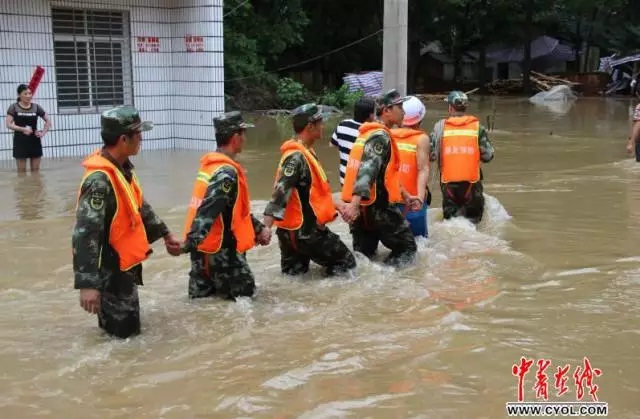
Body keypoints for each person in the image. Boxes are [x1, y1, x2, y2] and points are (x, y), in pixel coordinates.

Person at [72, 105, 181, 339]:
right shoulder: (99, 181)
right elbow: (85, 233)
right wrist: (87, 284)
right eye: (138, 134)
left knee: (127, 335)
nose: (141, 138)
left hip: (124, 268)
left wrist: (164, 233)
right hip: (111, 271)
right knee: (123, 338)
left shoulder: (121, 169)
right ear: (123, 139)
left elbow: (139, 206)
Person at [181, 111, 270, 299]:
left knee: (202, 307)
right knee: (246, 301)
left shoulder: (210, 165)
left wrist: (259, 228)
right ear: (236, 137)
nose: (245, 139)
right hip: (222, 254)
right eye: (243, 134)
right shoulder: (226, 173)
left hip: (202, 254)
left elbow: (232, 210)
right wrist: (186, 245)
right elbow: (208, 211)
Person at [263, 103, 356, 276]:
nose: (323, 126)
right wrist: (265, 228)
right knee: (346, 264)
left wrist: (340, 206)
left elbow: (314, 194)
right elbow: (279, 194)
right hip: (306, 232)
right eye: (320, 122)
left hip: (292, 233)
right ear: (309, 126)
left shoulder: (305, 152)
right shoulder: (296, 157)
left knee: (295, 278)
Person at [341, 89, 421, 266]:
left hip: (362, 211)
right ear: (387, 111)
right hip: (378, 208)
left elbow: (384, 173)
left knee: (365, 257)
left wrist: (406, 195)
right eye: (400, 107)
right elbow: (367, 171)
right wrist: (354, 205)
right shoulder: (380, 136)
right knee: (407, 248)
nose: (404, 112)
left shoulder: (365, 133)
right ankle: (389, 281)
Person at [430, 91, 494, 224]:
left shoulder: (440, 129)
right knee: (474, 224)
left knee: (451, 225)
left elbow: (431, 155)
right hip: (472, 186)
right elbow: (488, 156)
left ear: (450, 107)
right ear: (465, 107)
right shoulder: (478, 128)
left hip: (449, 186)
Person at [391, 96, 431, 237]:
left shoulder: (387, 134)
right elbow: (423, 169)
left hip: (389, 202)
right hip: (412, 203)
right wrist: (419, 197)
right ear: (420, 118)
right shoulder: (421, 139)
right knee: (419, 243)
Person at [330, 96, 376, 186]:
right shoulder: (372, 132)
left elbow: (332, 144)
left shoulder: (342, 124)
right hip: (361, 184)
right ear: (370, 115)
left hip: (344, 179)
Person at [5, 84, 51, 172]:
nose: (28, 96)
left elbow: (48, 121)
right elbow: (8, 124)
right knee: (21, 172)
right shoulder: (14, 107)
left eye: (30, 93)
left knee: (36, 171)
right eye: (25, 94)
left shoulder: (36, 107)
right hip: (20, 142)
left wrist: (42, 133)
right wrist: (23, 129)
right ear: (19, 95)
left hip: (34, 141)